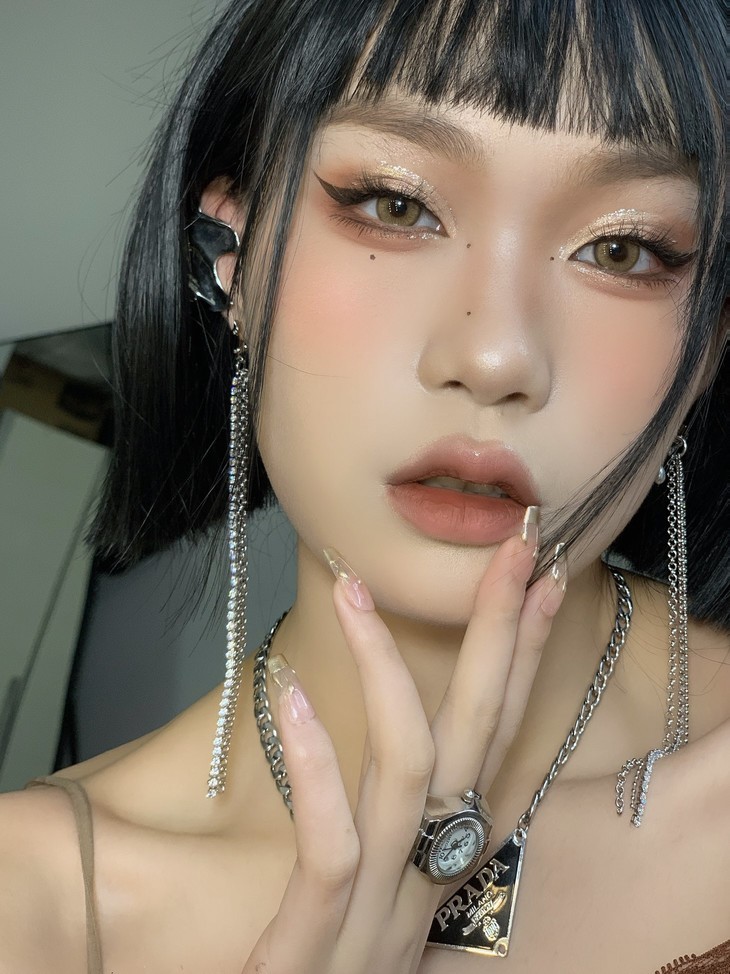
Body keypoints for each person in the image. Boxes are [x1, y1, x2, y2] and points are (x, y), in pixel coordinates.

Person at [0, 0, 727, 971]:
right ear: (232, 261)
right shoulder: (41, 903)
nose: (494, 355)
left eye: (622, 249)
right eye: (396, 205)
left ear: (710, 344)